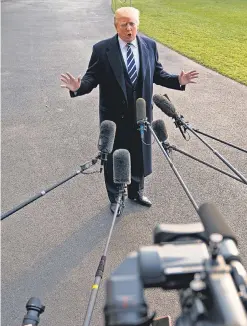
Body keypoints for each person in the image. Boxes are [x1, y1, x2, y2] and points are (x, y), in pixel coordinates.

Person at [60, 7, 199, 216]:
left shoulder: (149, 46)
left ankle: (136, 192)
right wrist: (78, 87)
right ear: (116, 25)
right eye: (124, 24)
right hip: (114, 117)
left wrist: (178, 81)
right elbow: (91, 79)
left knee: (139, 155)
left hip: (141, 116)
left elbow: (158, 74)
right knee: (115, 157)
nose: (129, 28)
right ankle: (115, 197)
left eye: (132, 23)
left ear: (138, 24)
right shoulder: (102, 49)